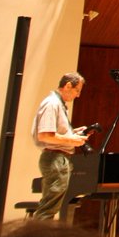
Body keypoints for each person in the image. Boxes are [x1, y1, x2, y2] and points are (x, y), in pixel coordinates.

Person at [31, 72, 91, 219]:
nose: (78, 96)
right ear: (68, 85)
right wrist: (73, 141)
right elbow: (45, 135)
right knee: (48, 209)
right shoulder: (52, 104)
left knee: (50, 207)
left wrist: (74, 133)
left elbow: (55, 133)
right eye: (77, 90)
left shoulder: (59, 105)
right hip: (55, 159)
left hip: (58, 159)